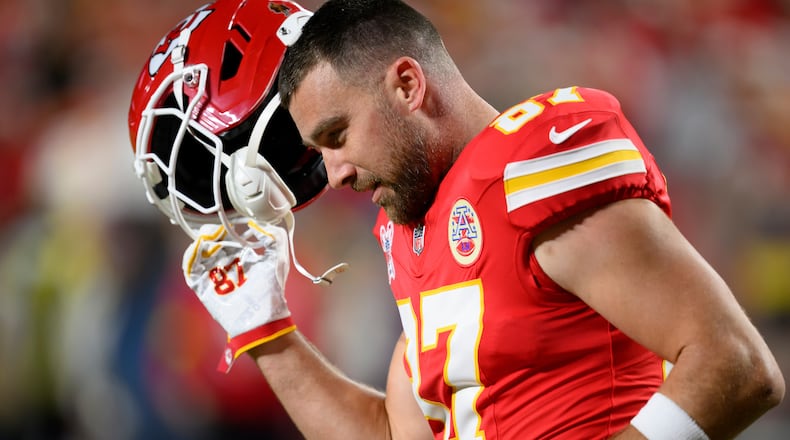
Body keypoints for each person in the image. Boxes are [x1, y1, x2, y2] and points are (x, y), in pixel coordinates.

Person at [129, 0, 785, 439]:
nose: (332, 174)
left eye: (337, 135)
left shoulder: (531, 165)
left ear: (408, 86)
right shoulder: (415, 225)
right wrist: (268, 335)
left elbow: (734, 363)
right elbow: (394, 431)